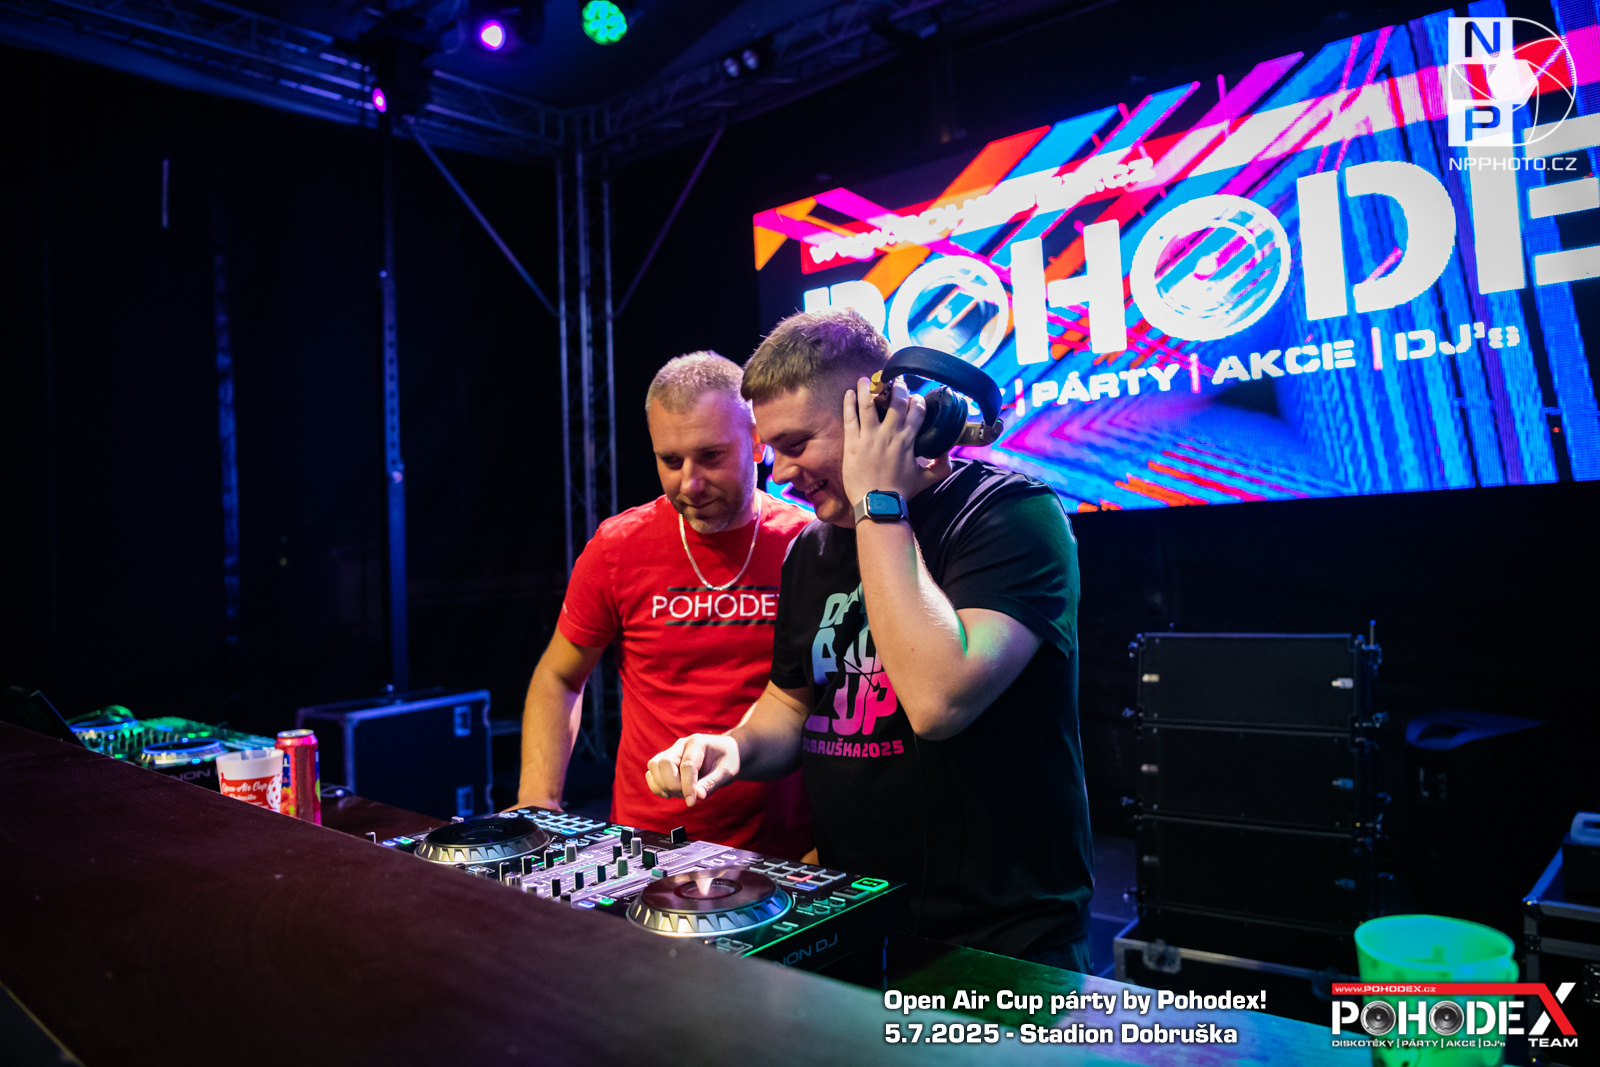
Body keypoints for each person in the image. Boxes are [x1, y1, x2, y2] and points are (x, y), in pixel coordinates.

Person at [645, 311, 1094, 968]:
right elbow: (790, 705)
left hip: (1004, 937)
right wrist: (734, 747)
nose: (779, 472)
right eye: (771, 448)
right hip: (858, 915)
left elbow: (938, 699)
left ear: (879, 417)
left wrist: (878, 501)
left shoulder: (1012, 517)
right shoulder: (811, 550)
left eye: (796, 444)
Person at [517, 351, 812, 857]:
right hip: (650, 845)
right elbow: (560, 676)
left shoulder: (809, 543)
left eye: (710, 456)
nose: (689, 483)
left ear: (757, 442)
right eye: (670, 461)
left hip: (788, 848)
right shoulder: (618, 548)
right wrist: (538, 805)